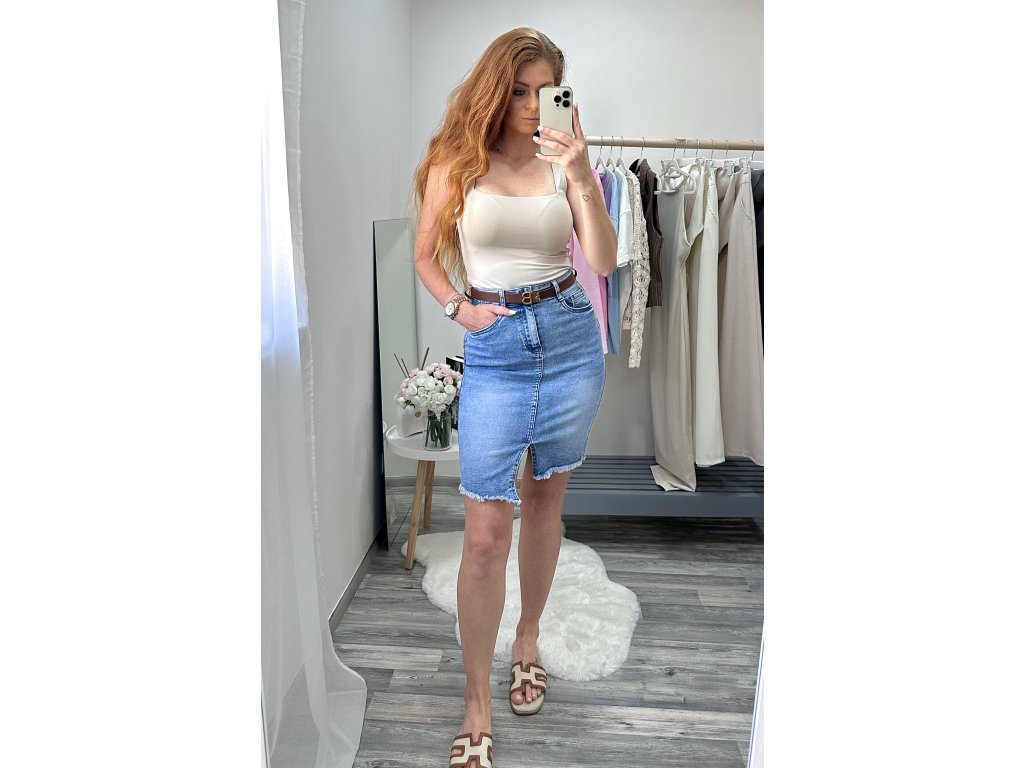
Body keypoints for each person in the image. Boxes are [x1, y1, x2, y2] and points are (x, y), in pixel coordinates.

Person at [410, 27, 616, 768]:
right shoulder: (456, 160)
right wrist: (458, 309)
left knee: (545, 503)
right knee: (483, 535)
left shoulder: (566, 163)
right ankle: (476, 699)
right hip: (496, 350)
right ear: (496, 89)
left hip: (568, 338)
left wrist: (581, 172)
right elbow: (425, 254)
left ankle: (527, 639)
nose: (533, 105)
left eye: (546, 91)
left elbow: (603, 259)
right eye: (520, 90)